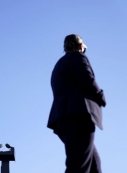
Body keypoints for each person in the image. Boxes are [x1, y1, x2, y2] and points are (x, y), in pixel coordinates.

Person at [47, 34, 106, 173]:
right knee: (79, 167)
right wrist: (101, 96)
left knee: (93, 164)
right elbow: (88, 81)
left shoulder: (58, 65)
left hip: (63, 119)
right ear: (80, 46)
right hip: (79, 116)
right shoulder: (78, 58)